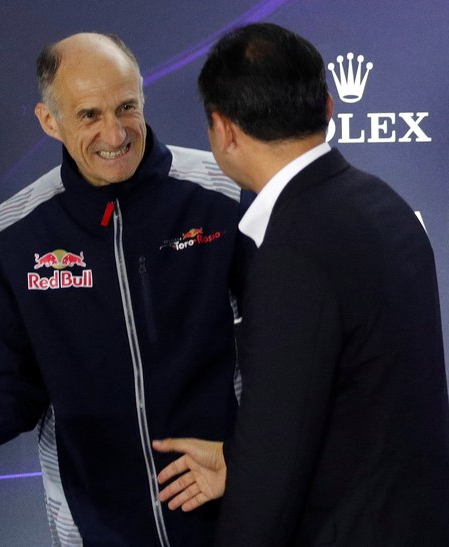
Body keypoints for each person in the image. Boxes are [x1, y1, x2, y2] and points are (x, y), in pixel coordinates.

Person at [0, 32, 254, 546]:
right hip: (93, 523)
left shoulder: (223, 191)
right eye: (88, 115)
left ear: (143, 97)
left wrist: (248, 457)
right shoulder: (16, 228)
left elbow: (289, 351)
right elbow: (11, 383)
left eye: (126, 106)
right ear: (48, 121)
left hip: (232, 507)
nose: (115, 132)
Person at [154, 22, 449, 546]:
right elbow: (355, 398)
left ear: (223, 130)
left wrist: (250, 472)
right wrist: (236, 458)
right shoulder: (384, 203)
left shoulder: (292, 252)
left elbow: (276, 461)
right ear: (329, 107)